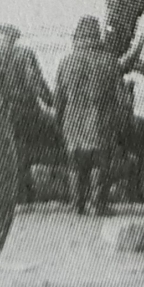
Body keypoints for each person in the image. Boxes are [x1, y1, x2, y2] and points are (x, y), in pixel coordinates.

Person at [54, 16, 123, 215]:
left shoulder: (66, 62)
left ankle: (77, 205)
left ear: (78, 36)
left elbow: (59, 97)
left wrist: (60, 120)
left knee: (75, 164)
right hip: (101, 122)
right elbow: (121, 100)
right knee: (99, 163)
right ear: (97, 36)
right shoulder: (110, 62)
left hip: (73, 122)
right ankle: (96, 205)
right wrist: (119, 124)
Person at [0, 24, 55, 200]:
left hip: (3, 112)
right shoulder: (24, 54)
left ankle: (18, 193)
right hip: (26, 111)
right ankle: (25, 193)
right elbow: (36, 82)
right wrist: (51, 101)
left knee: (13, 150)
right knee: (25, 149)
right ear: (14, 39)